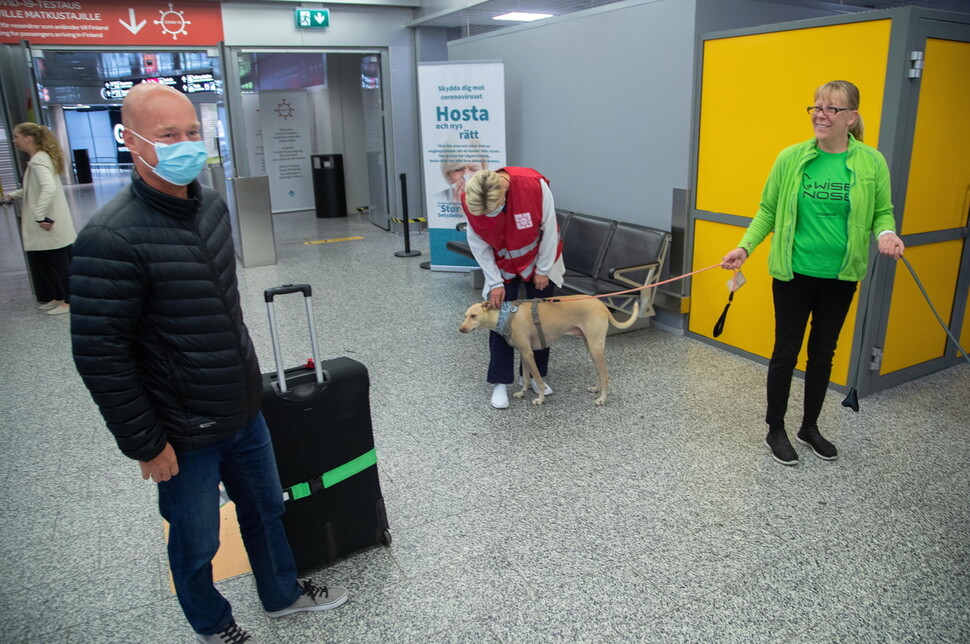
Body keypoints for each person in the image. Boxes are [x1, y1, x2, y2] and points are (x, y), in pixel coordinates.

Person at [69, 83, 347, 643]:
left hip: (243, 409)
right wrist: (145, 442)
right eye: (169, 135)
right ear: (133, 142)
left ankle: (281, 593)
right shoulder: (111, 237)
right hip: (180, 429)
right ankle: (212, 623)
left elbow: (221, 308)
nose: (185, 144)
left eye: (192, 132)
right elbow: (99, 353)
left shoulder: (214, 207)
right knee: (196, 540)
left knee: (267, 507)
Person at [721, 80, 905, 466]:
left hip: (841, 276)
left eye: (832, 109)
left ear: (851, 117)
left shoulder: (871, 162)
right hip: (793, 274)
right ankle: (776, 429)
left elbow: (882, 212)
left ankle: (810, 426)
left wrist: (886, 234)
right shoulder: (791, 158)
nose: (821, 114)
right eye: (817, 107)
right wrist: (745, 246)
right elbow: (767, 210)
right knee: (785, 353)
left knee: (823, 354)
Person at [461, 167, 565, 409]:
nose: (488, 215)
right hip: (502, 265)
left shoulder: (535, 186)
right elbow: (477, 243)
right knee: (499, 320)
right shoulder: (472, 196)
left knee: (541, 320)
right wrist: (495, 282)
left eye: (492, 210)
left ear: (504, 192)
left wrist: (543, 269)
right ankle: (500, 382)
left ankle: (532, 377)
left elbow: (550, 229)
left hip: (539, 258)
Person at [2, 122, 77, 315]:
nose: (14, 140)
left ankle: (69, 301)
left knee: (58, 263)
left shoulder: (38, 161)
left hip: (48, 223)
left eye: (16, 136)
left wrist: (40, 215)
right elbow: (35, 187)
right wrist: (13, 195)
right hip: (49, 221)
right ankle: (59, 297)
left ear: (28, 138)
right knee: (46, 262)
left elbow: (48, 188)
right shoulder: (39, 158)